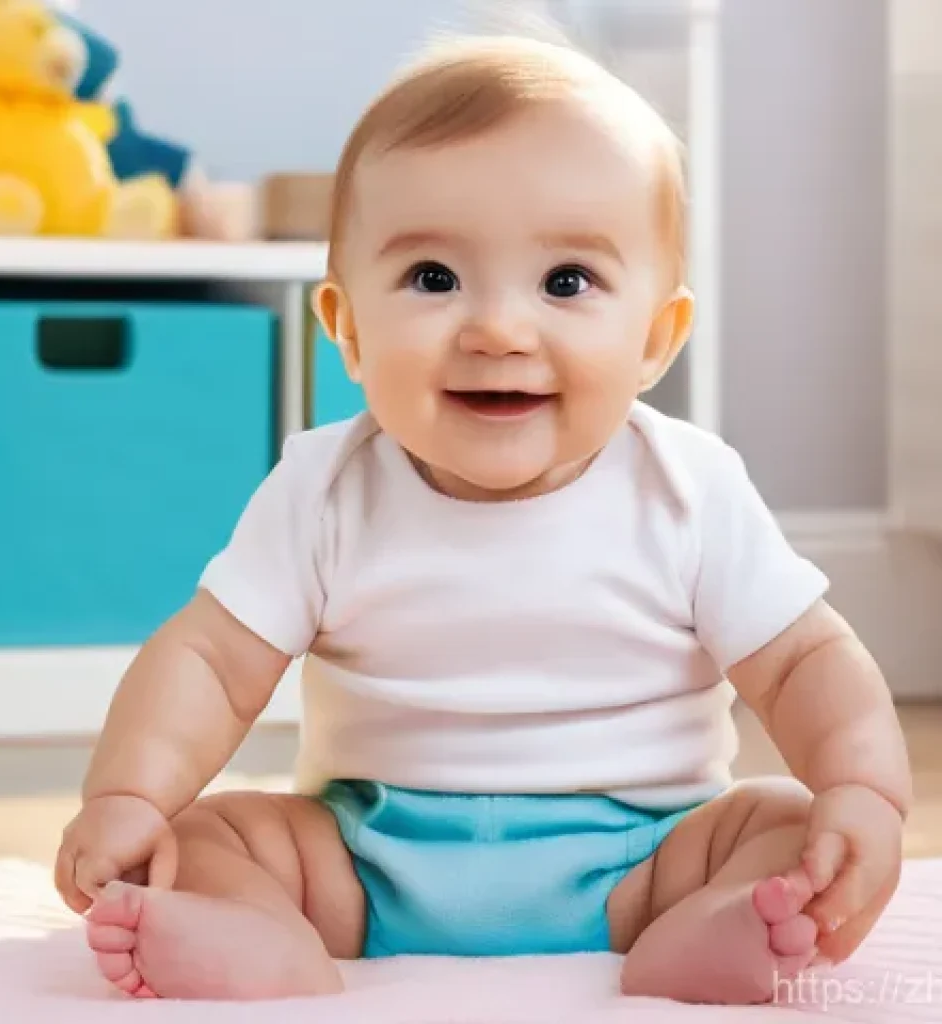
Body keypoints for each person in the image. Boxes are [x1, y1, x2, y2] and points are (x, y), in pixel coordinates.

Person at [54, 34, 911, 1005]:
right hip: (366, 860)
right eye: (431, 278)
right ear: (344, 327)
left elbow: (803, 662)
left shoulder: (688, 489)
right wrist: (128, 797)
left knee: (783, 824)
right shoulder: (324, 488)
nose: (498, 329)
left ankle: (708, 931)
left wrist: (863, 792)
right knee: (211, 837)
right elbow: (210, 662)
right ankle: (259, 941)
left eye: (565, 282)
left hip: (649, 854)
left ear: (654, 339)